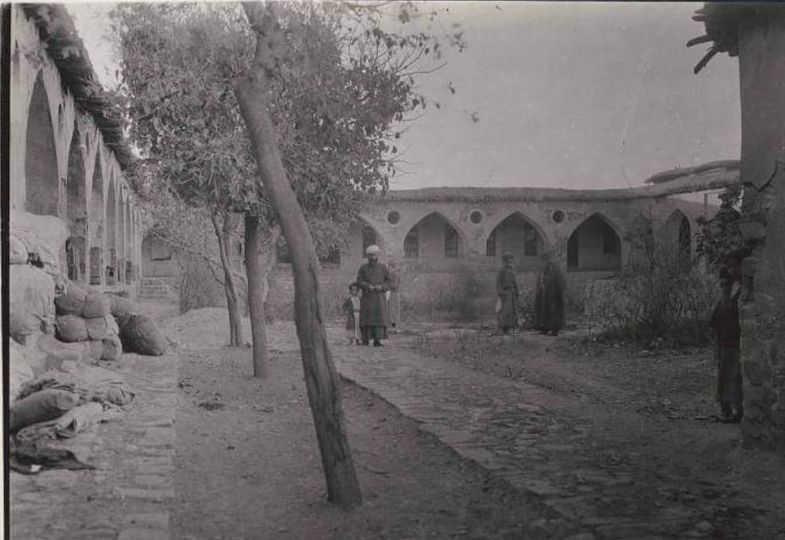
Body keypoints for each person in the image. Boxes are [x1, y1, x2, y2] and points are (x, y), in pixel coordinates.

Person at [710, 267, 743, 423]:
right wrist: (716, 350)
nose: (724, 288)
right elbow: (715, 328)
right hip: (724, 347)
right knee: (723, 379)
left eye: (726, 285)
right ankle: (726, 410)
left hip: (735, 347)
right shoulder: (719, 304)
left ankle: (738, 411)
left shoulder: (735, 303)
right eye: (721, 285)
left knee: (734, 379)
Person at [356, 245, 392, 346]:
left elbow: (389, 282)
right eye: (370, 255)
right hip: (367, 298)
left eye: (374, 255)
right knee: (366, 318)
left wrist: (382, 287)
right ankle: (365, 339)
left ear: (378, 255)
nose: (372, 257)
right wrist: (368, 286)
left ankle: (377, 340)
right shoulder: (363, 268)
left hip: (379, 298)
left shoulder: (383, 268)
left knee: (379, 319)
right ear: (367, 256)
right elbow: (359, 282)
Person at [534, 251, 566, 336]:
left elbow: (561, 281)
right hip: (544, 294)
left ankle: (555, 330)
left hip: (553, 294)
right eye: (544, 260)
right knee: (544, 312)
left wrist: (559, 292)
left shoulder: (555, 268)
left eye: (546, 259)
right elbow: (540, 280)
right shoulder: (543, 269)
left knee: (553, 312)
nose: (545, 262)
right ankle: (544, 328)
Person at [496, 252, 519, 334]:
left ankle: (512, 327)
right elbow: (498, 283)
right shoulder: (501, 271)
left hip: (512, 292)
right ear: (504, 261)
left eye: (510, 259)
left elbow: (515, 282)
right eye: (507, 259)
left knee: (513, 310)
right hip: (505, 292)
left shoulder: (512, 270)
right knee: (506, 310)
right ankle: (505, 328)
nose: (509, 261)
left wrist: (517, 292)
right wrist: (501, 293)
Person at [387, 260, 401, 334]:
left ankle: (395, 328)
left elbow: (394, 285)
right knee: (392, 310)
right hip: (394, 293)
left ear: (392, 267)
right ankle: (393, 327)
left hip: (394, 293)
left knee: (393, 310)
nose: (388, 268)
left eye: (389, 266)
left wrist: (386, 286)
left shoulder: (394, 274)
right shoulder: (394, 274)